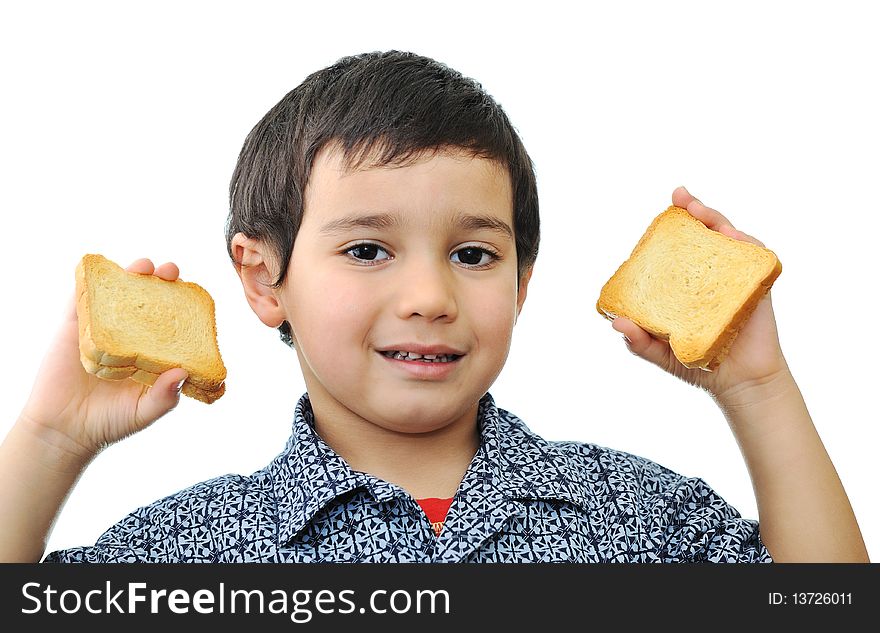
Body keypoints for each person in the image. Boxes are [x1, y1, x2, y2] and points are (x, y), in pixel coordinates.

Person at [0, 50, 868, 563]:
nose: (429, 296)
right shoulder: (190, 550)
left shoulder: (642, 517)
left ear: (523, 282)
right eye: (368, 249)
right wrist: (49, 439)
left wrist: (758, 387)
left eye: (474, 254)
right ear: (265, 280)